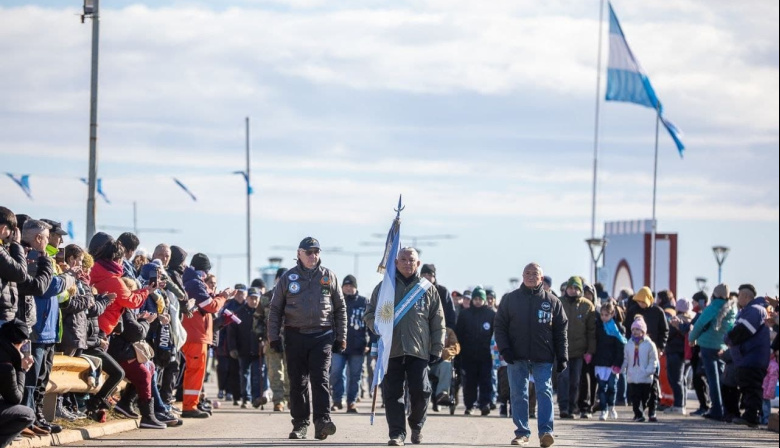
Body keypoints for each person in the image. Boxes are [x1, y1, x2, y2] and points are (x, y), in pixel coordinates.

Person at [364, 247, 445, 446]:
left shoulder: (428, 289)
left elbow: (438, 321)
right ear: (396, 262)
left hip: (419, 350)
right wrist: (377, 325)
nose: (407, 263)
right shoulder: (385, 288)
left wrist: (437, 348)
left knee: (421, 391)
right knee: (392, 394)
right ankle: (397, 433)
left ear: (418, 264)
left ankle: (416, 425)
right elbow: (369, 313)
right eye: (403, 259)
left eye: (412, 260)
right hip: (392, 349)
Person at [268, 237, 346, 441]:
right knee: (298, 382)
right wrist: (273, 337)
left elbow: (340, 308)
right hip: (295, 335)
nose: (313, 256)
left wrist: (341, 337)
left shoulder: (329, 276)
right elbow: (275, 309)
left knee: (320, 379)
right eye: (309, 252)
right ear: (299, 253)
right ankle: (300, 424)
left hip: (322, 335)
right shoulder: (288, 277)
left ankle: (322, 422)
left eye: (316, 252)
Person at [494, 263, 567, 448]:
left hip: (543, 356)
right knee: (519, 393)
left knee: (544, 391)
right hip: (516, 356)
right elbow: (500, 326)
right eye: (527, 273)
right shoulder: (510, 299)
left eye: (535, 273)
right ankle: (522, 433)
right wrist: (505, 350)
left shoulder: (552, 302)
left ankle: (546, 433)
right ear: (522, 276)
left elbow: (561, 331)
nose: (531, 276)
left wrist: (563, 356)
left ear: (541, 278)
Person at [180, 253, 234, 418]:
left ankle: (192, 404)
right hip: (196, 335)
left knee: (194, 372)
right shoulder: (195, 283)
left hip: (195, 334)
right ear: (204, 270)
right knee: (195, 372)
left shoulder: (191, 281)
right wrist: (223, 297)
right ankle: (189, 406)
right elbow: (210, 306)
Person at [689, 283, 736, 422]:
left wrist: (692, 339)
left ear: (714, 294)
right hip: (723, 347)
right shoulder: (732, 308)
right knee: (722, 378)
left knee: (713, 379)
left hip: (708, 345)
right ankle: (725, 409)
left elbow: (700, 324)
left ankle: (716, 410)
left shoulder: (713, 307)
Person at [725, 284, 770, 428]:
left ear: (745, 296)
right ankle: (750, 415)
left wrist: (729, 339)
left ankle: (752, 417)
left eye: (739, 295)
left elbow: (743, 331)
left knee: (752, 387)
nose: (738, 298)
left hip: (752, 358)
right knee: (747, 387)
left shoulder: (755, 310)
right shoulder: (748, 311)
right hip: (747, 358)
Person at [624, 286, 668, 422]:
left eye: (643, 301)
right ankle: (638, 411)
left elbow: (664, 331)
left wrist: (661, 347)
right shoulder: (632, 311)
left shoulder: (658, 311)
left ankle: (652, 410)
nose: (640, 304)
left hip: (652, 350)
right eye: (639, 301)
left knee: (653, 382)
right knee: (636, 386)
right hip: (636, 351)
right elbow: (627, 330)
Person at [329, 274, 369, 413]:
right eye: (345, 286)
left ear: (355, 287)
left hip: (358, 346)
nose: (348, 288)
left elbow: (370, 324)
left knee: (355, 375)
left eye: (351, 286)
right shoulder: (336, 302)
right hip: (338, 345)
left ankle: (352, 402)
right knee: (336, 373)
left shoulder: (364, 302)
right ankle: (337, 400)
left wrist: (370, 342)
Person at [557, 276, 596, 419]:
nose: (573, 291)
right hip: (562, 350)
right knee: (563, 379)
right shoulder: (558, 303)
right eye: (570, 288)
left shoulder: (587, 306)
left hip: (579, 352)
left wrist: (590, 351)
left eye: (576, 288)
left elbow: (592, 331)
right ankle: (563, 408)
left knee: (575, 381)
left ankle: (573, 408)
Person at [456, 286, 496, 416]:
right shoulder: (465, 314)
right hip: (468, 355)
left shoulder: (491, 314)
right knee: (469, 382)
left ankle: (485, 404)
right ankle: (470, 405)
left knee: (486, 380)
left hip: (486, 355)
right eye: (476, 299)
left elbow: (495, 335)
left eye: (480, 299)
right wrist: (459, 354)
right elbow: (459, 335)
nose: (478, 301)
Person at [255, 268, 289, 411]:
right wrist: (261, 337)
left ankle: (291, 398)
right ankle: (278, 400)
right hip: (272, 340)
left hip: (291, 341)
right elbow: (257, 319)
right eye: (280, 278)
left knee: (291, 372)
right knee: (274, 372)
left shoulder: (295, 297)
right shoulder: (266, 298)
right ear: (276, 280)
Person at [0, 319, 36, 446]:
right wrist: (21, 369)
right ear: (18, 344)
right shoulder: (6, 365)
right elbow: (16, 398)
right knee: (28, 414)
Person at [228, 287, 263, 408]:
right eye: (251, 298)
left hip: (259, 349)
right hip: (243, 349)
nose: (253, 301)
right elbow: (231, 332)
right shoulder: (239, 312)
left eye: (256, 298)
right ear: (247, 298)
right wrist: (232, 348)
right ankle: (246, 398)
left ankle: (256, 398)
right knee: (244, 374)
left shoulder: (263, 313)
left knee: (258, 374)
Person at [593, 301, 625, 421]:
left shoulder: (618, 328)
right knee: (602, 388)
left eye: (606, 315)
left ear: (612, 314)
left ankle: (611, 406)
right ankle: (603, 409)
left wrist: (618, 363)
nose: (603, 317)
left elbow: (620, 347)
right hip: (601, 362)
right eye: (602, 314)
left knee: (612, 387)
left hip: (613, 363)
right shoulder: (598, 327)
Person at [623, 316, 659, 422]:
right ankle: (638, 414)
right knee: (635, 397)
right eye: (633, 329)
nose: (635, 332)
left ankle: (645, 411)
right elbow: (626, 358)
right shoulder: (628, 344)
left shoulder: (649, 344)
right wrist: (621, 368)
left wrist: (649, 370)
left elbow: (653, 359)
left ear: (643, 331)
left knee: (645, 397)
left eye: (637, 329)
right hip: (633, 375)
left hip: (646, 376)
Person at [664, 296, 694, 415]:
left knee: (675, 380)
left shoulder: (675, 320)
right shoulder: (691, 319)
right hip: (686, 353)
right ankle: (682, 404)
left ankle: (678, 405)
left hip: (675, 352)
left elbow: (668, 335)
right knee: (682, 380)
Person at [420, 264, 457, 329]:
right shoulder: (415, 292)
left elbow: (450, 314)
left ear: (434, 277)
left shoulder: (443, 291)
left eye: (429, 275)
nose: (426, 277)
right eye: (424, 275)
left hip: (439, 329)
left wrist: (448, 330)